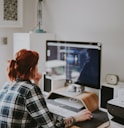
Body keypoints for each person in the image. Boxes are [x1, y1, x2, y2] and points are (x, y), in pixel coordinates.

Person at [0, 49, 92, 128]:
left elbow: (33, 106)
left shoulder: (7, 86)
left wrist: (35, 82)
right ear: (32, 70)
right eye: (37, 66)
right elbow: (52, 126)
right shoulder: (30, 90)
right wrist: (76, 117)